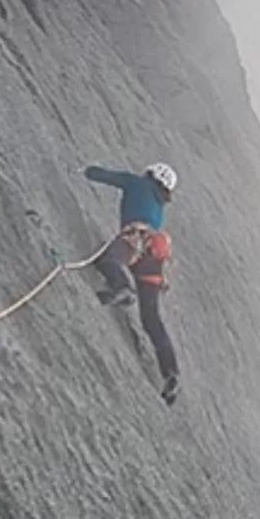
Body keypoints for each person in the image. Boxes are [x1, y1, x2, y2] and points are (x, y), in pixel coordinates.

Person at [84, 162, 180, 405]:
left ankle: (121, 287)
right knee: (151, 319)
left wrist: (86, 171)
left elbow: (107, 174)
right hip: (153, 260)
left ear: (150, 174)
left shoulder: (137, 183)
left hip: (135, 240)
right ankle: (171, 374)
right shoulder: (159, 204)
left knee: (108, 260)